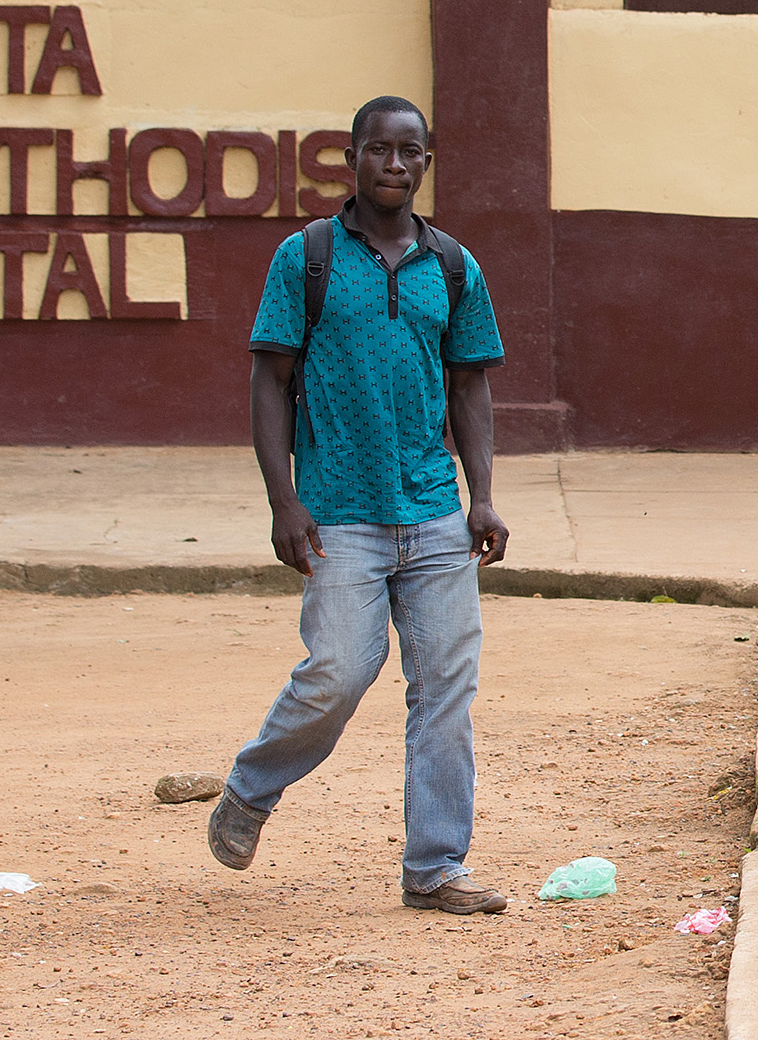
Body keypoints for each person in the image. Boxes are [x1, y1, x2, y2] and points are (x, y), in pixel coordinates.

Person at [209, 94, 516, 913]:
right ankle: (251, 787)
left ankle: (436, 868)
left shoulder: (452, 265)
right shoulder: (305, 257)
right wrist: (285, 501)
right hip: (338, 510)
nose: (393, 164)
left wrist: (480, 497)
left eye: (409, 152)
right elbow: (269, 381)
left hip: (432, 509)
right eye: (377, 150)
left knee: (445, 691)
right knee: (341, 670)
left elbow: (470, 384)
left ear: (425, 162)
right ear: (350, 159)